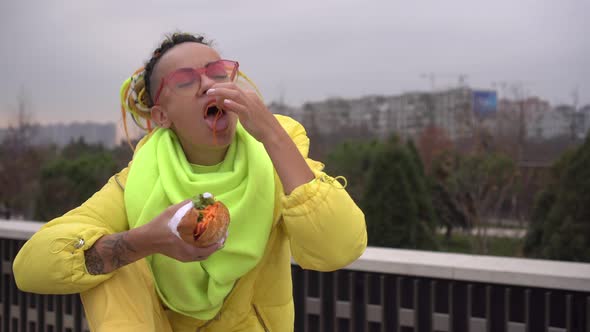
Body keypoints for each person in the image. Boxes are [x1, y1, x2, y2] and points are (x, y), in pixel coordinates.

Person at [13, 32, 367, 331]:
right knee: (108, 258)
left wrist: (272, 134)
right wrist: (142, 242)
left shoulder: (276, 162)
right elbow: (30, 267)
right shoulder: (134, 184)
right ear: (162, 116)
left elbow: (339, 248)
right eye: (184, 80)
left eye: (216, 72)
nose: (208, 85)